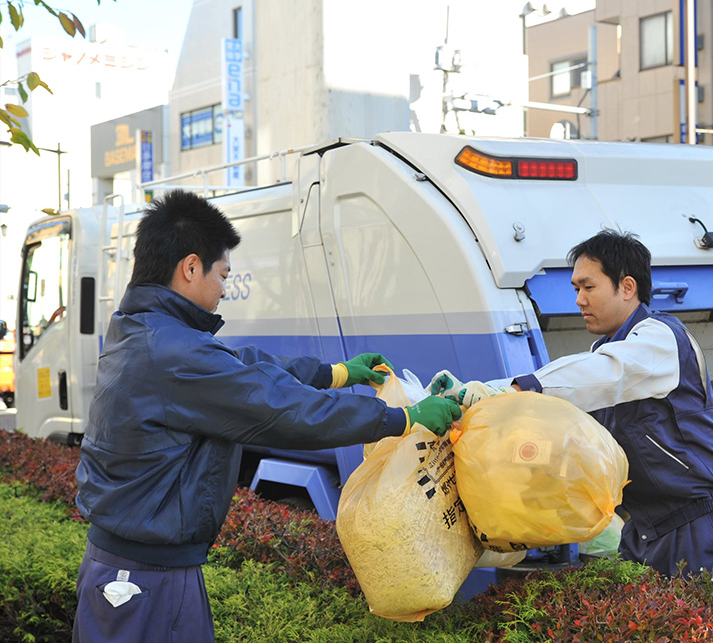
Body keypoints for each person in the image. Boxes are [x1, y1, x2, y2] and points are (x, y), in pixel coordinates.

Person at [73, 189, 460, 643]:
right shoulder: (171, 351)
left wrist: (334, 373)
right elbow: (280, 408)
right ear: (191, 267)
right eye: (222, 274)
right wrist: (405, 418)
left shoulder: (144, 332)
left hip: (130, 570)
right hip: (146, 582)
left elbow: (240, 367)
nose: (223, 289)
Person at [433, 229, 713, 586]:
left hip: (703, 524)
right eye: (575, 289)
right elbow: (571, 438)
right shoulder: (604, 352)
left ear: (627, 287)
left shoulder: (660, 338)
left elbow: (605, 373)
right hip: (648, 528)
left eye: (589, 287)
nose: (579, 300)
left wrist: (512, 389)